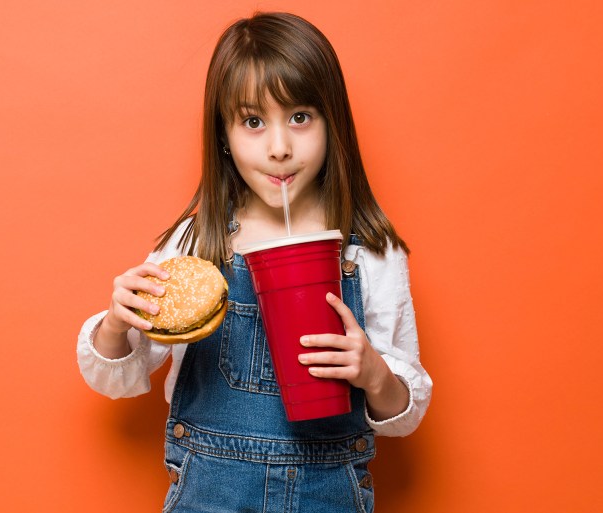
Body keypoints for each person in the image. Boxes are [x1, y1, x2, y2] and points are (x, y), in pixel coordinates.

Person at [77, 12, 432, 512]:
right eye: (253, 121)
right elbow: (119, 375)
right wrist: (117, 323)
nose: (280, 147)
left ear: (334, 122)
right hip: (209, 493)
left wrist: (374, 373)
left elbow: (403, 413)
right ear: (223, 135)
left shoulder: (368, 250)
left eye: (300, 117)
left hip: (328, 495)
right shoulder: (196, 242)